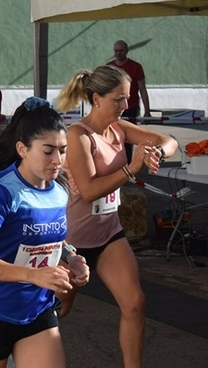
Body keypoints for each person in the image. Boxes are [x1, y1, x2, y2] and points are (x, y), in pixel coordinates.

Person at [0, 97, 90, 368]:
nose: (58, 160)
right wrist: (33, 275)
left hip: (35, 310)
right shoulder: (0, 191)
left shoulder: (59, 190)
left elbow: (51, 237)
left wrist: (71, 256)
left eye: (63, 150)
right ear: (22, 149)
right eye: (48, 151)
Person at [54, 66, 175, 368]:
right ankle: (23, 352)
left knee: (135, 303)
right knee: (57, 309)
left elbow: (167, 139)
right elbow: (90, 190)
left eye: (128, 98)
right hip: (70, 243)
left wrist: (157, 153)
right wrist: (132, 168)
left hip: (108, 234)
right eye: (119, 99)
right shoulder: (78, 135)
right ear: (97, 98)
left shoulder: (119, 128)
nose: (125, 105)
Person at [107, 40, 151, 119]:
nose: (118, 53)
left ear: (127, 51)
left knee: (130, 131)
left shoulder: (136, 67)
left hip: (131, 108)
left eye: (121, 51)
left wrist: (147, 111)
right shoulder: (109, 67)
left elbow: (142, 90)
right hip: (113, 107)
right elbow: (104, 89)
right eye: (116, 51)